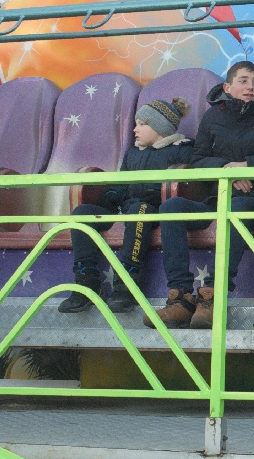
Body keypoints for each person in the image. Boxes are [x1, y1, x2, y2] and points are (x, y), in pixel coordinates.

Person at [148, 61, 254, 330]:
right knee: (171, 207)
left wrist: (247, 166)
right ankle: (180, 298)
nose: (250, 87)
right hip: (217, 197)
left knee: (236, 209)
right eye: (243, 81)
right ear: (227, 87)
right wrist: (227, 169)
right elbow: (199, 159)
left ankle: (213, 296)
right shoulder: (212, 116)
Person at [57, 98, 194, 314]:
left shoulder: (181, 151)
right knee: (82, 213)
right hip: (126, 207)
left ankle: (126, 282)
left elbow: (182, 189)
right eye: (136, 124)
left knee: (139, 210)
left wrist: (147, 193)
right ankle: (86, 280)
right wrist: (112, 194)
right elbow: (122, 183)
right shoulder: (133, 153)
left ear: (160, 128)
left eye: (142, 124)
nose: (134, 129)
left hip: (154, 211)